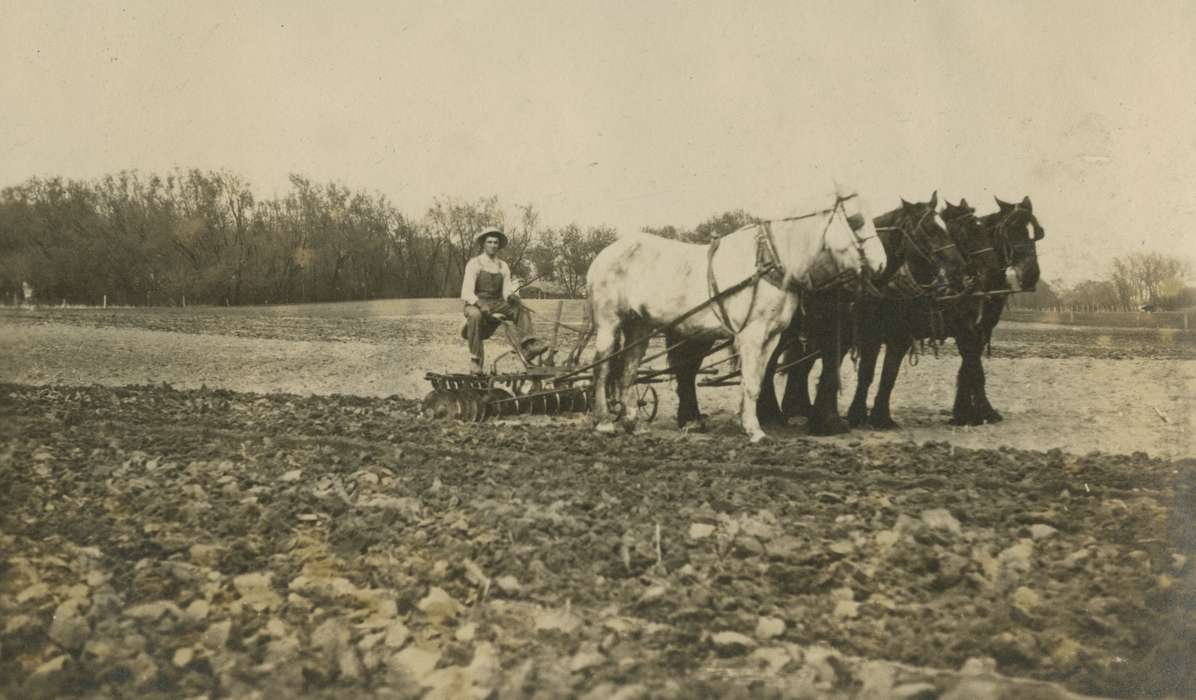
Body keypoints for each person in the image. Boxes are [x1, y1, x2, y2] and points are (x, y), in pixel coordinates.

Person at [461, 227, 547, 373]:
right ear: (483, 244)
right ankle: (474, 360)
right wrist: (481, 305)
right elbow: (466, 292)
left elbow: (506, 290)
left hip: (497, 303)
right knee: (475, 316)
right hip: (475, 303)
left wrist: (511, 297)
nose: (493, 245)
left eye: (496, 242)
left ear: (499, 245)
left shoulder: (503, 266)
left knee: (521, 308)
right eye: (490, 242)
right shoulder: (474, 264)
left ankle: (528, 346)